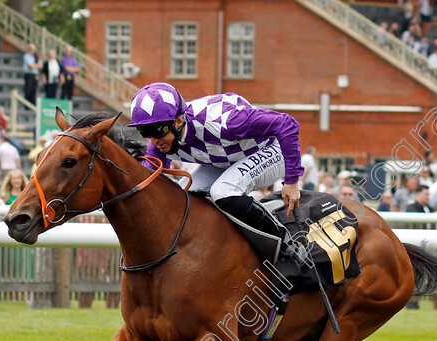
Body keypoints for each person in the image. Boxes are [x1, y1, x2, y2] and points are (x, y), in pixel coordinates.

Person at [127, 82, 306, 265]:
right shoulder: (160, 141)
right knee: (180, 196)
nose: (154, 141)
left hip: (272, 150)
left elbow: (287, 124)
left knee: (223, 190)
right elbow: (145, 182)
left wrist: (292, 181)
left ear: (178, 122)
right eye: (145, 132)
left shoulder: (227, 122)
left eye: (157, 131)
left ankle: (288, 245)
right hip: (223, 160)